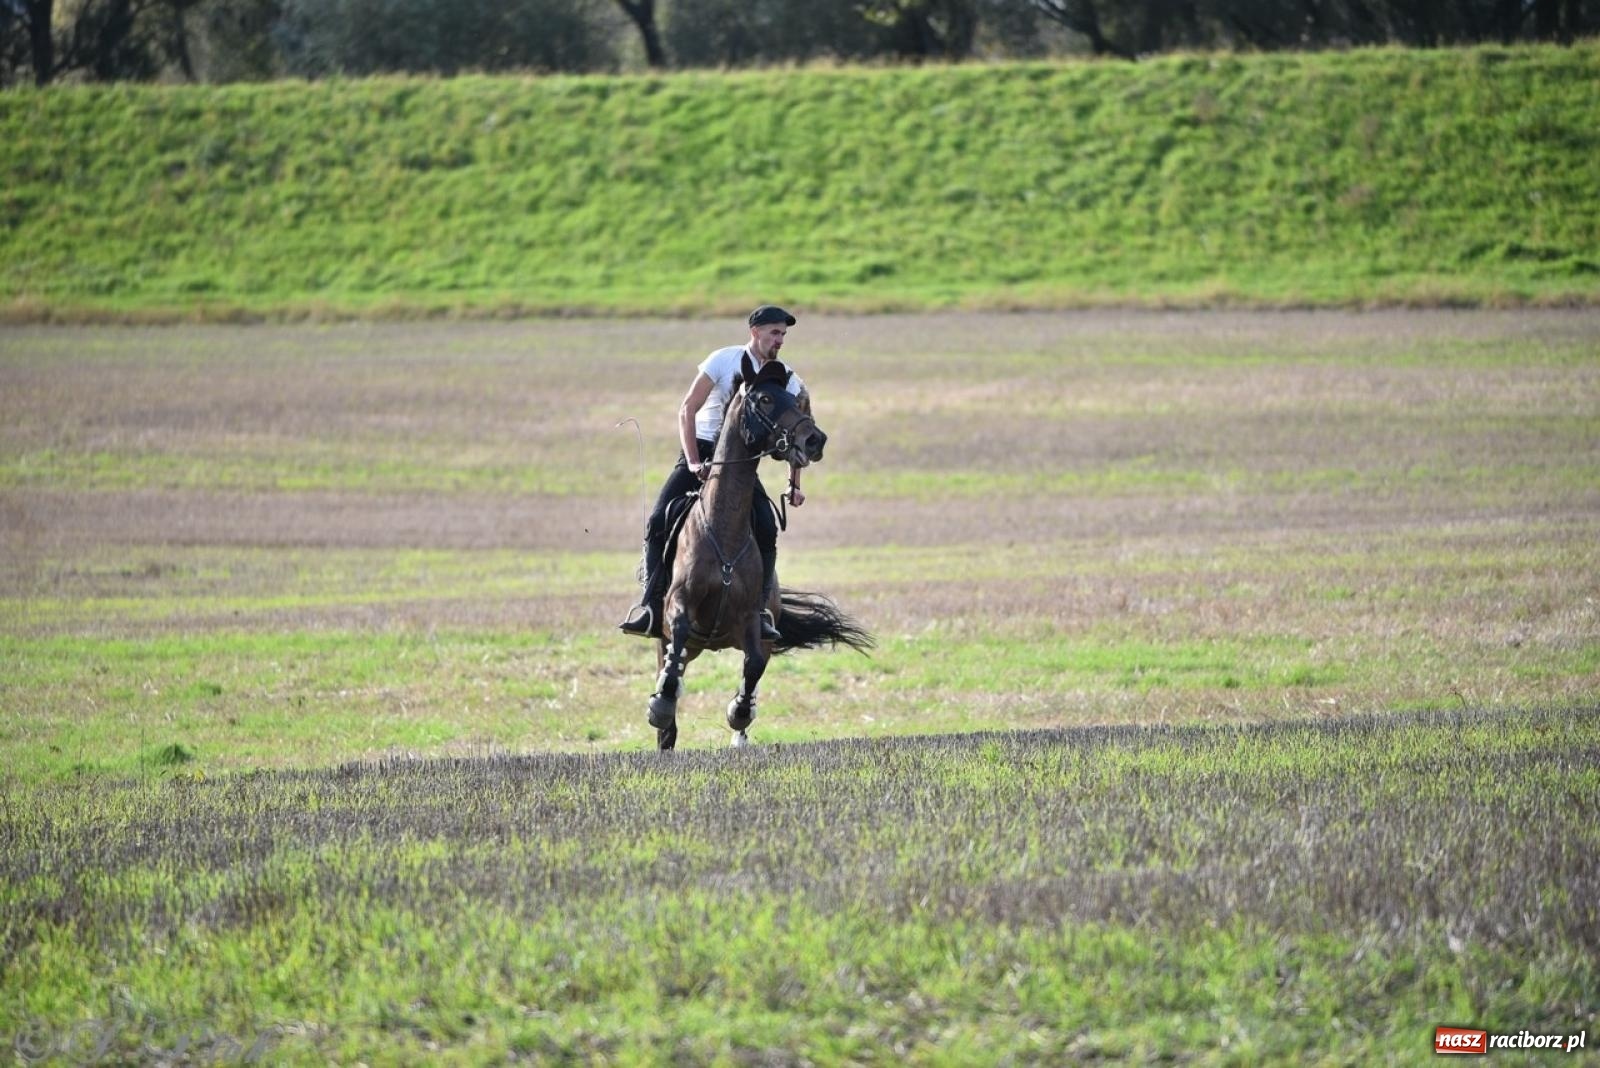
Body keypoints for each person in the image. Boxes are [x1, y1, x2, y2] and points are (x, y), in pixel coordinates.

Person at [620, 305, 809, 640]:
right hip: (703, 451)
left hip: (742, 466)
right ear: (755, 332)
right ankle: (650, 606)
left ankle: (762, 611)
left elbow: (797, 430)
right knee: (659, 520)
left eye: (783, 334)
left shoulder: (786, 378)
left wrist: (794, 483)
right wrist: (693, 462)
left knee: (766, 528)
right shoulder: (722, 360)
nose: (779, 340)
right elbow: (687, 409)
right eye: (774, 333)